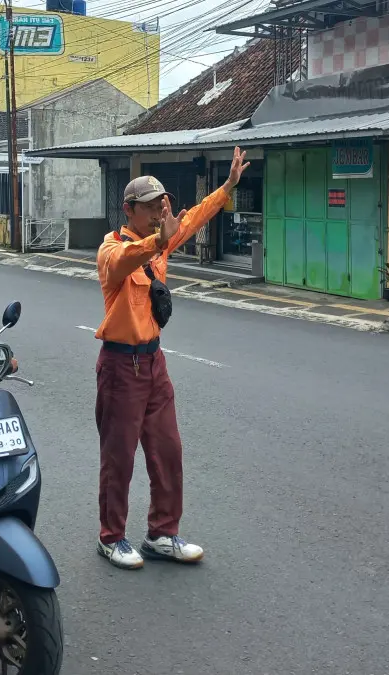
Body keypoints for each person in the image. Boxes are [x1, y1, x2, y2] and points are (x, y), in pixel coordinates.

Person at [94, 146, 249, 570]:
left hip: (154, 364)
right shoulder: (111, 250)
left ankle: (162, 533)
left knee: (168, 451)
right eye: (150, 207)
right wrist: (158, 240)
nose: (159, 213)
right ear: (128, 210)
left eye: (162, 206)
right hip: (120, 367)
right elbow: (126, 259)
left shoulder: (161, 242)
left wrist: (228, 186)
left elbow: (195, 217)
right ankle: (111, 537)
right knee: (119, 458)